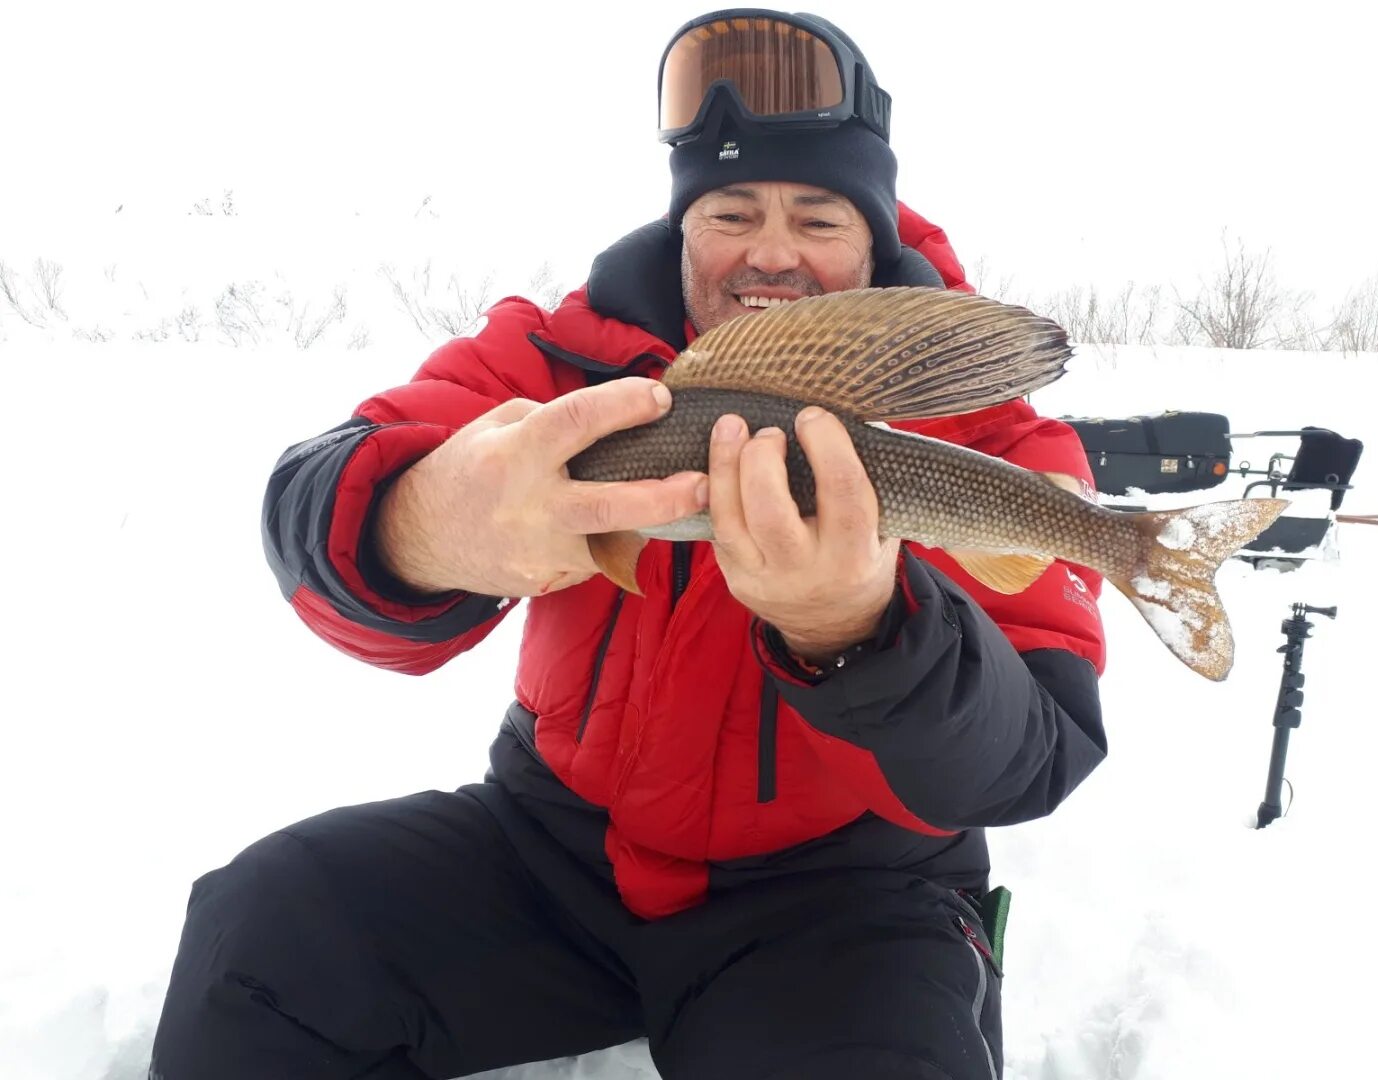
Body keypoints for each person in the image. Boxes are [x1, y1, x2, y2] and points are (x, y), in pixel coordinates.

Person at [151, 10, 1107, 1079]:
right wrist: (416, 521)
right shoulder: (557, 358)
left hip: (846, 900)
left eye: (821, 217)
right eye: (732, 210)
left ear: (877, 237)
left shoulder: (994, 432)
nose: (772, 252)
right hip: (551, 848)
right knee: (267, 931)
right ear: (683, 226)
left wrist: (862, 635)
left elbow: (1036, 752)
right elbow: (320, 485)